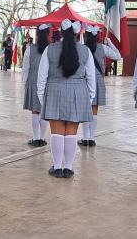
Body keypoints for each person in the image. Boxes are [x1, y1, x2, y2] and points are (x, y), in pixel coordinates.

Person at [37, 20, 95, 178]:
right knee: (71, 133)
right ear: (77, 33)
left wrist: (43, 99)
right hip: (78, 93)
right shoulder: (86, 51)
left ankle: (56, 168)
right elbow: (91, 78)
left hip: (54, 92)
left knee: (56, 132)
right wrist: (88, 99)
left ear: (60, 33)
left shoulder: (50, 49)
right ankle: (68, 168)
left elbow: (41, 77)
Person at [78, 25, 121, 147]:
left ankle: (85, 138)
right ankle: (91, 138)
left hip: (84, 80)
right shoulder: (102, 48)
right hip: (98, 80)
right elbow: (118, 56)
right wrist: (110, 43)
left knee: (85, 110)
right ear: (97, 36)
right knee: (94, 110)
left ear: (86, 36)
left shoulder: (82, 48)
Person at [23, 24, 50, 147]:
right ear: (48, 34)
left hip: (33, 81)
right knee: (44, 111)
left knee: (35, 111)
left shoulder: (30, 48)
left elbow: (25, 67)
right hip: (48, 82)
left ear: (37, 35)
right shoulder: (51, 48)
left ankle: (35, 138)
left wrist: (25, 82)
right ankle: (43, 138)